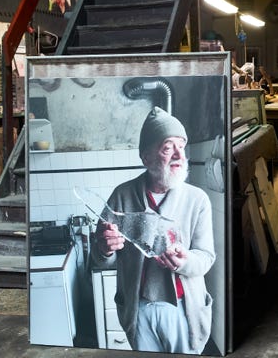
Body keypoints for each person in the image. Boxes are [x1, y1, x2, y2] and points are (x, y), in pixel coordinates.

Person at [91, 106, 215, 354]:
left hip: (183, 308)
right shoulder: (122, 196)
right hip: (139, 309)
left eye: (181, 146)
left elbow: (206, 257)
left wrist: (184, 261)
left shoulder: (197, 199)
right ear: (146, 157)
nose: (179, 155)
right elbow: (98, 259)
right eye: (168, 148)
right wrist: (105, 249)